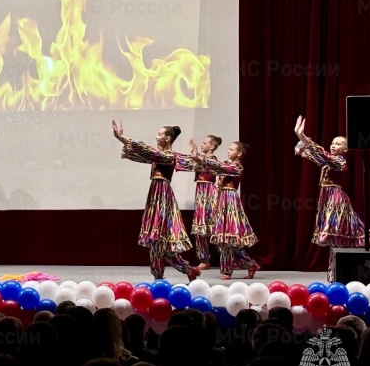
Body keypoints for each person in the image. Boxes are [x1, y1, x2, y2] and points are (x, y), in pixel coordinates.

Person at [111, 121, 200, 282]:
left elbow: (145, 150)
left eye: (159, 134)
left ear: (167, 138)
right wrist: (121, 140)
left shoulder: (167, 156)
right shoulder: (158, 156)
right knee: (156, 242)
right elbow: (141, 154)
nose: (156, 136)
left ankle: (165, 276)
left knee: (158, 239)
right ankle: (181, 271)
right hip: (155, 195)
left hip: (162, 196)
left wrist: (122, 137)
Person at [294, 116, 370, 281]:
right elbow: (313, 154)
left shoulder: (340, 161)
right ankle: (334, 272)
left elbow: (320, 152)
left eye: (338, 143)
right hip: (326, 200)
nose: (333, 145)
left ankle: (340, 271)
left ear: (345, 149)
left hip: (336, 201)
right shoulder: (326, 163)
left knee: (335, 237)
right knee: (333, 241)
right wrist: (300, 137)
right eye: (332, 142)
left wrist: (304, 137)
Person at [190, 140, 260, 280]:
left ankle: (227, 270)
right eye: (228, 149)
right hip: (222, 201)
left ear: (239, 153)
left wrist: (199, 157)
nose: (228, 151)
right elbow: (214, 168)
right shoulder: (226, 165)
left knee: (227, 238)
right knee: (222, 240)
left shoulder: (237, 167)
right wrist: (197, 159)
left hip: (230, 202)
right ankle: (250, 264)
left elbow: (218, 166)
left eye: (231, 149)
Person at [175, 135, 222, 270]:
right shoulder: (199, 159)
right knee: (199, 229)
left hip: (210, 194)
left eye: (204, 143)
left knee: (214, 228)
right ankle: (204, 259)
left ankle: (228, 257)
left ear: (212, 146)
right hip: (201, 194)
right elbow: (186, 163)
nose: (202, 144)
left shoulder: (211, 160)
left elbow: (205, 162)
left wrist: (196, 156)